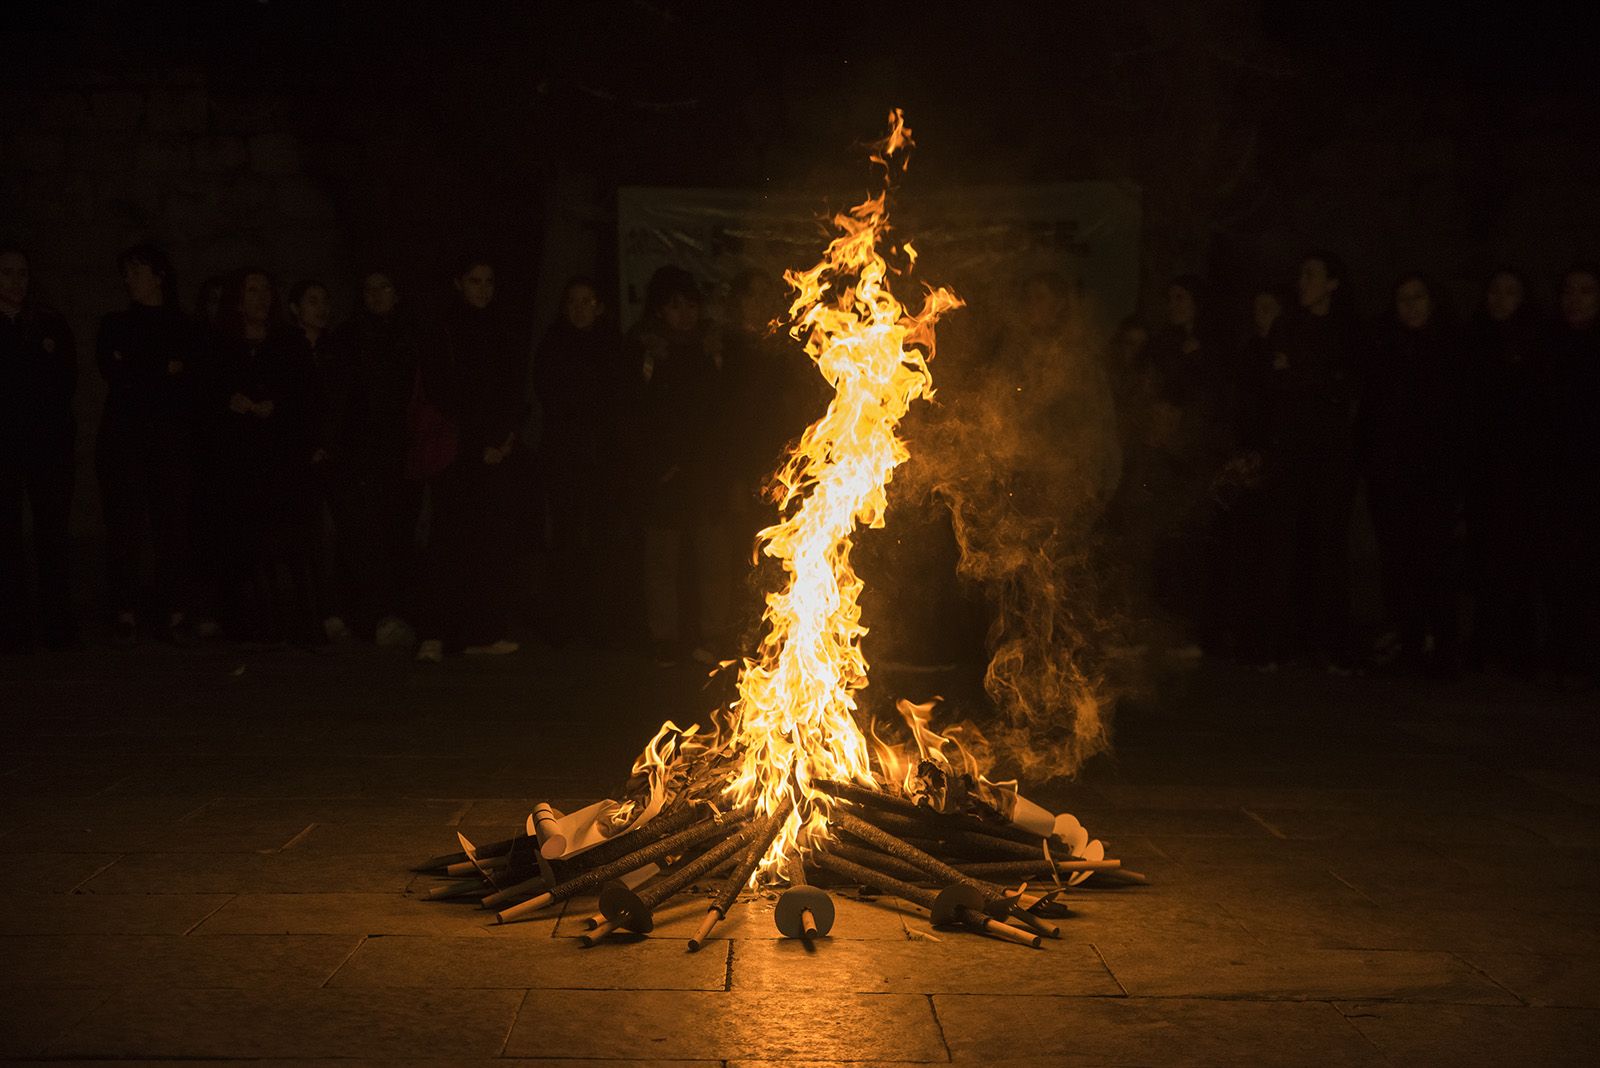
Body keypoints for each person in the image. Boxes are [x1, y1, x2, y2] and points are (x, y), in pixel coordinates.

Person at [414, 257, 531, 662]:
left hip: (495, 452)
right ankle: (437, 632)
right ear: (458, 283)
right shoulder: (445, 330)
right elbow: (446, 391)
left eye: (489, 281)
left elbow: (512, 388)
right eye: (475, 281)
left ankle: (481, 630)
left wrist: (505, 438)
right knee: (451, 542)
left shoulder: (500, 329)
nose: (482, 289)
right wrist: (480, 440)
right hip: (458, 454)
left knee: (490, 543)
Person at [1250, 251, 1362, 669]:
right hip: (1290, 452)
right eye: (1301, 274)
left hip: (1331, 455)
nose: (1303, 282)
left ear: (1333, 283)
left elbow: (1345, 385)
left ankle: (1330, 645)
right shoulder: (1288, 326)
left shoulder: (1347, 329)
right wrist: (1312, 379)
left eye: (1312, 275)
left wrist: (1301, 374)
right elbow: (1273, 380)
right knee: (1279, 547)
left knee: (1328, 547)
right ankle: (1273, 645)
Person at [1357, 274, 1470, 676]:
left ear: (1433, 301)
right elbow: (1371, 412)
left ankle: (1442, 645)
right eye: (1403, 298)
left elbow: (1462, 418)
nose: (1411, 306)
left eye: (1418, 297)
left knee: (1435, 562)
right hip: (1391, 476)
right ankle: (1407, 640)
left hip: (1436, 476)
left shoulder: (1452, 349)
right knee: (1398, 561)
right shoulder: (1385, 348)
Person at [95, 242, 200, 644]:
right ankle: (124, 608)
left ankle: (173, 608)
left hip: (169, 438)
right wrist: (161, 368)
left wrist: (142, 368)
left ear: (159, 276)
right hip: (124, 439)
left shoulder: (183, 326)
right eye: (126, 273)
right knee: (124, 524)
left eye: (136, 272)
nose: (129, 280)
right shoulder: (115, 324)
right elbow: (116, 372)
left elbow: (187, 380)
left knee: (171, 523)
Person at [209, 268, 320, 644]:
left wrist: (276, 404)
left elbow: (305, 393)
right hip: (239, 458)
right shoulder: (222, 343)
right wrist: (230, 400)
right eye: (251, 291)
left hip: (280, 456)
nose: (260, 298)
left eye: (265, 290)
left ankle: (304, 623)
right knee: (246, 544)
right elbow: (207, 391)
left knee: (291, 540)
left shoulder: (288, 342)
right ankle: (254, 624)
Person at [629, 265, 731, 666]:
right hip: (664, 471)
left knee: (713, 557)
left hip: (706, 470)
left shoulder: (713, 348)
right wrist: (656, 464)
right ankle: (664, 638)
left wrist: (720, 466)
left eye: (690, 305)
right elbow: (633, 413)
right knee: (662, 559)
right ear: (659, 310)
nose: (684, 314)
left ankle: (714, 634)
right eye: (675, 307)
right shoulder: (645, 349)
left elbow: (725, 412)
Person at [326, 269, 425, 646]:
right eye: (368, 289)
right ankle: (366, 614)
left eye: (384, 287)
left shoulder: (410, 337)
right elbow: (339, 396)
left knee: (398, 531)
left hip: (402, 450)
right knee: (362, 535)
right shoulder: (348, 339)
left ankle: (395, 613)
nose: (376, 295)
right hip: (361, 451)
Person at [530, 276, 628, 644]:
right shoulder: (553, 344)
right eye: (573, 301)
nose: (580, 309)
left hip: (603, 456)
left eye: (588, 301)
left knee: (604, 535)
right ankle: (564, 619)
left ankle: (603, 620)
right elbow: (550, 394)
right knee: (566, 535)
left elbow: (620, 399)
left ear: (599, 306)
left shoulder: (613, 345)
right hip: (564, 454)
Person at [1463, 269, 1543, 673]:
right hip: (1480, 466)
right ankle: (1485, 640)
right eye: (1493, 290)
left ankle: (1518, 645)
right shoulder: (1473, 338)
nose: (1500, 300)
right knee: (1483, 555)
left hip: (1519, 469)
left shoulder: (1533, 343)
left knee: (1515, 556)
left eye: (1510, 292)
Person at [0, 245, 77, 651]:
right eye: (7, 272)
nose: (16, 281)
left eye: (22, 273)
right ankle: (13, 629)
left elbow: (65, 381)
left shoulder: (48, 322)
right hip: (4, 448)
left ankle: (58, 626)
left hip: (46, 445)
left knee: (52, 535)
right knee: (6, 537)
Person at [1539, 262, 1600, 681]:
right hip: (1558, 476)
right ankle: (1563, 654)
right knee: (1560, 568)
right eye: (1568, 290)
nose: (1574, 299)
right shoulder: (1551, 347)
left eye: (1586, 291)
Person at [285, 278, 351, 642]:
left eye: (325, 300)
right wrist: (306, 444)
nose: (321, 308)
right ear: (296, 308)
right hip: (299, 457)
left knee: (334, 532)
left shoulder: (335, 348)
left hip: (333, 454)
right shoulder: (286, 349)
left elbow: (342, 402)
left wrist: (330, 443)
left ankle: (333, 608)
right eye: (312, 301)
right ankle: (312, 611)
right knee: (307, 534)